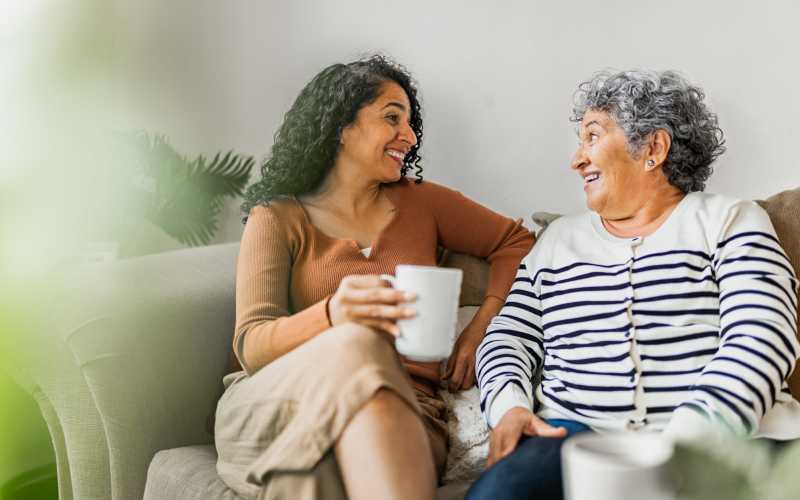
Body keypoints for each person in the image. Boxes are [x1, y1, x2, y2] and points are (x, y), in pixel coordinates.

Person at [468, 69, 800, 500]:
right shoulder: (558, 241)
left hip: (732, 439)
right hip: (574, 439)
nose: (576, 159)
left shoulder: (728, 219)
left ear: (653, 148)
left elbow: (763, 334)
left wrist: (692, 437)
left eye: (592, 136)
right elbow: (508, 338)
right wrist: (509, 406)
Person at [213, 55, 534, 500]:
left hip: (408, 407)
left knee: (314, 477)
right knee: (359, 341)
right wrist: (334, 316)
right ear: (342, 127)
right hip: (284, 398)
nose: (410, 135)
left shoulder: (424, 204)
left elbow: (518, 243)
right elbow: (252, 344)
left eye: (410, 121)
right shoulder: (277, 218)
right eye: (391, 118)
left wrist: (482, 327)